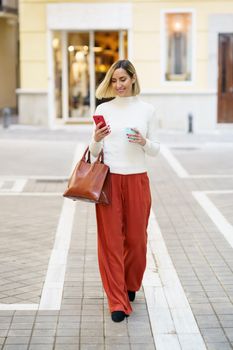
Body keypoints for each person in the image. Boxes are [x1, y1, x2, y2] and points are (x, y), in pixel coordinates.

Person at [89, 59, 160, 322]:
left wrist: (144, 142)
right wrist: (95, 139)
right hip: (109, 180)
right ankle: (117, 301)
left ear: (132, 78)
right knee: (110, 243)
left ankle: (130, 284)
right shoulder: (103, 108)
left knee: (136, 240)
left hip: (137, 180)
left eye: (122, 79)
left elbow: (156, 150)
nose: (118, 85)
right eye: (114, 80)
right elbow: (94, 151)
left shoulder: (147, 110)